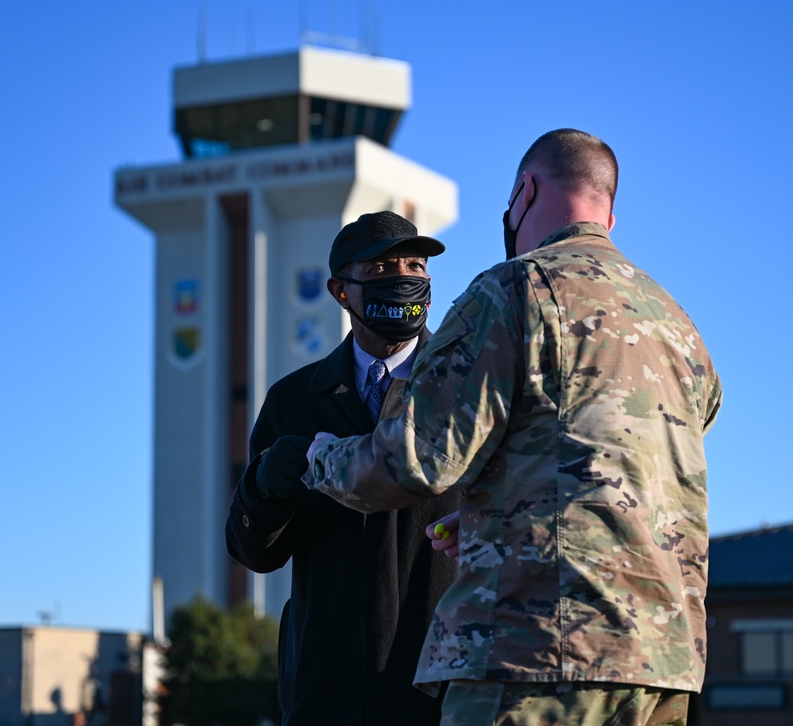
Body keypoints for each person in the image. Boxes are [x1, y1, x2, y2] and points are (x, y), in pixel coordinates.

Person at [303, 129, 723, 726]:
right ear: (608, 209)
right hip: (660, 663)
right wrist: (491, 518)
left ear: (526, 191)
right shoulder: (678, 325)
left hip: (536, 652)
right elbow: (621, 468)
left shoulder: (512, 291)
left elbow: (415, 461)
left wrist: (322, 457)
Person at [225, 211, 461, 726]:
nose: (403, 279)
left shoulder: (467, 388)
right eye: (380, 271)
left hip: (444, 688)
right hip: (327, 693)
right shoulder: (294, 399)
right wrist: (266, 486)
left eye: (416, 265)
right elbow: (253, 552)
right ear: (340, 291)